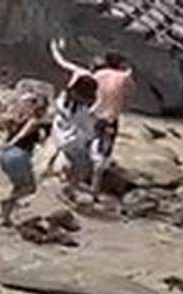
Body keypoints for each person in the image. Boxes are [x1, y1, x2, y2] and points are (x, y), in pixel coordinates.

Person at [50, 40, 136, 197]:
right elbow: (130, 93)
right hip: (107, 118)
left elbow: (63, 62)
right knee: (100, 154)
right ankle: (93, 189)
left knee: (75, 150)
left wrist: (55, 48)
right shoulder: (123, 77)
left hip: (83, 118)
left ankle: (66, 177)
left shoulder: (92, 77)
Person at [0, 94, 51, 223]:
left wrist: (3, 148)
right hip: (18, 155)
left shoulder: (18, 119)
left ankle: (5, 217)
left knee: (18, 186)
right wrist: (10, 145)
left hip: (8, 155)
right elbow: (21, 136)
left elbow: (9, 131)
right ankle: (7, 202)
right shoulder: (34, 122)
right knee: (30, 188)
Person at [50, 75, 99, 193]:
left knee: (69, 158)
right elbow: (89, 130)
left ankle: (63, 173)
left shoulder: (63, 98)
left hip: (58, 134)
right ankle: (70, 188)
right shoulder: (84, 110)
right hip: (73, 141)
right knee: (82, 167)